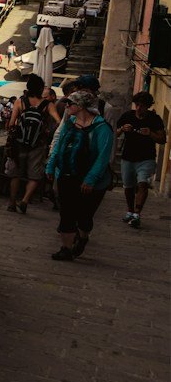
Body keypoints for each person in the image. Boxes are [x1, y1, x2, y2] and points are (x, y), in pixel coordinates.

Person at [46, 89, 114, 261]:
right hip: (67, 174)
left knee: (84, 216)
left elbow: (103, 157)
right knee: (67, 213)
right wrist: (51, 166)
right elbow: (59, 145)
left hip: (90, 179)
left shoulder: (102, 128)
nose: (66, 106)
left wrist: (90, 179)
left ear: (81, 106)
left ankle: (83, 237)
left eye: (70, 103)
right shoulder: (70, 123)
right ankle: (66, 249)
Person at [117, 91, 166, 228]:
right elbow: (114, 133)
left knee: (143, 184)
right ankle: (130, 211)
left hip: (146, 158)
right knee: (128, 186)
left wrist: (150, 133)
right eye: (137, 105)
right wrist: (122, 129)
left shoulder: (154, 119)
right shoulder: (127, 116)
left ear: (148, 106)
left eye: (142, 106)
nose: (139, 108)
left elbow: (162, 139)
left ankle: (137, 214)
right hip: (128, 157)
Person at [6, 76, 47, 213]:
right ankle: (24, 200)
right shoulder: (47, 104)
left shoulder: (20, 101)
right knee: (34, 176)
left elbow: (12, 123)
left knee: (15, 174)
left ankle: (12, 203)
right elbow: (59, 121)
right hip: (37, 144)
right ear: (41, 88)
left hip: (19, 143)